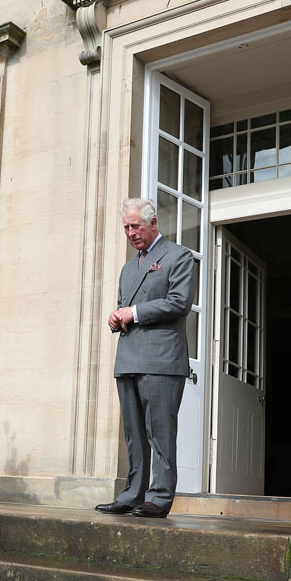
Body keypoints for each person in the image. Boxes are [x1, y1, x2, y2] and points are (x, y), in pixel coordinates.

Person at [96, 197, 196, 519]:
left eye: (135, 225)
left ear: (153, 223)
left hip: (162, 361)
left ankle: (160, 497)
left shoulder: (178, 256)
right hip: (128, 359)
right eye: (126, 227)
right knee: (133, 435)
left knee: (160, 433)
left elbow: (179, 303)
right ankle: (132, 494)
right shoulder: (129, 268)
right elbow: (127, 308)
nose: (130, 232)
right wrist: (118, 317)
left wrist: (134, 312)